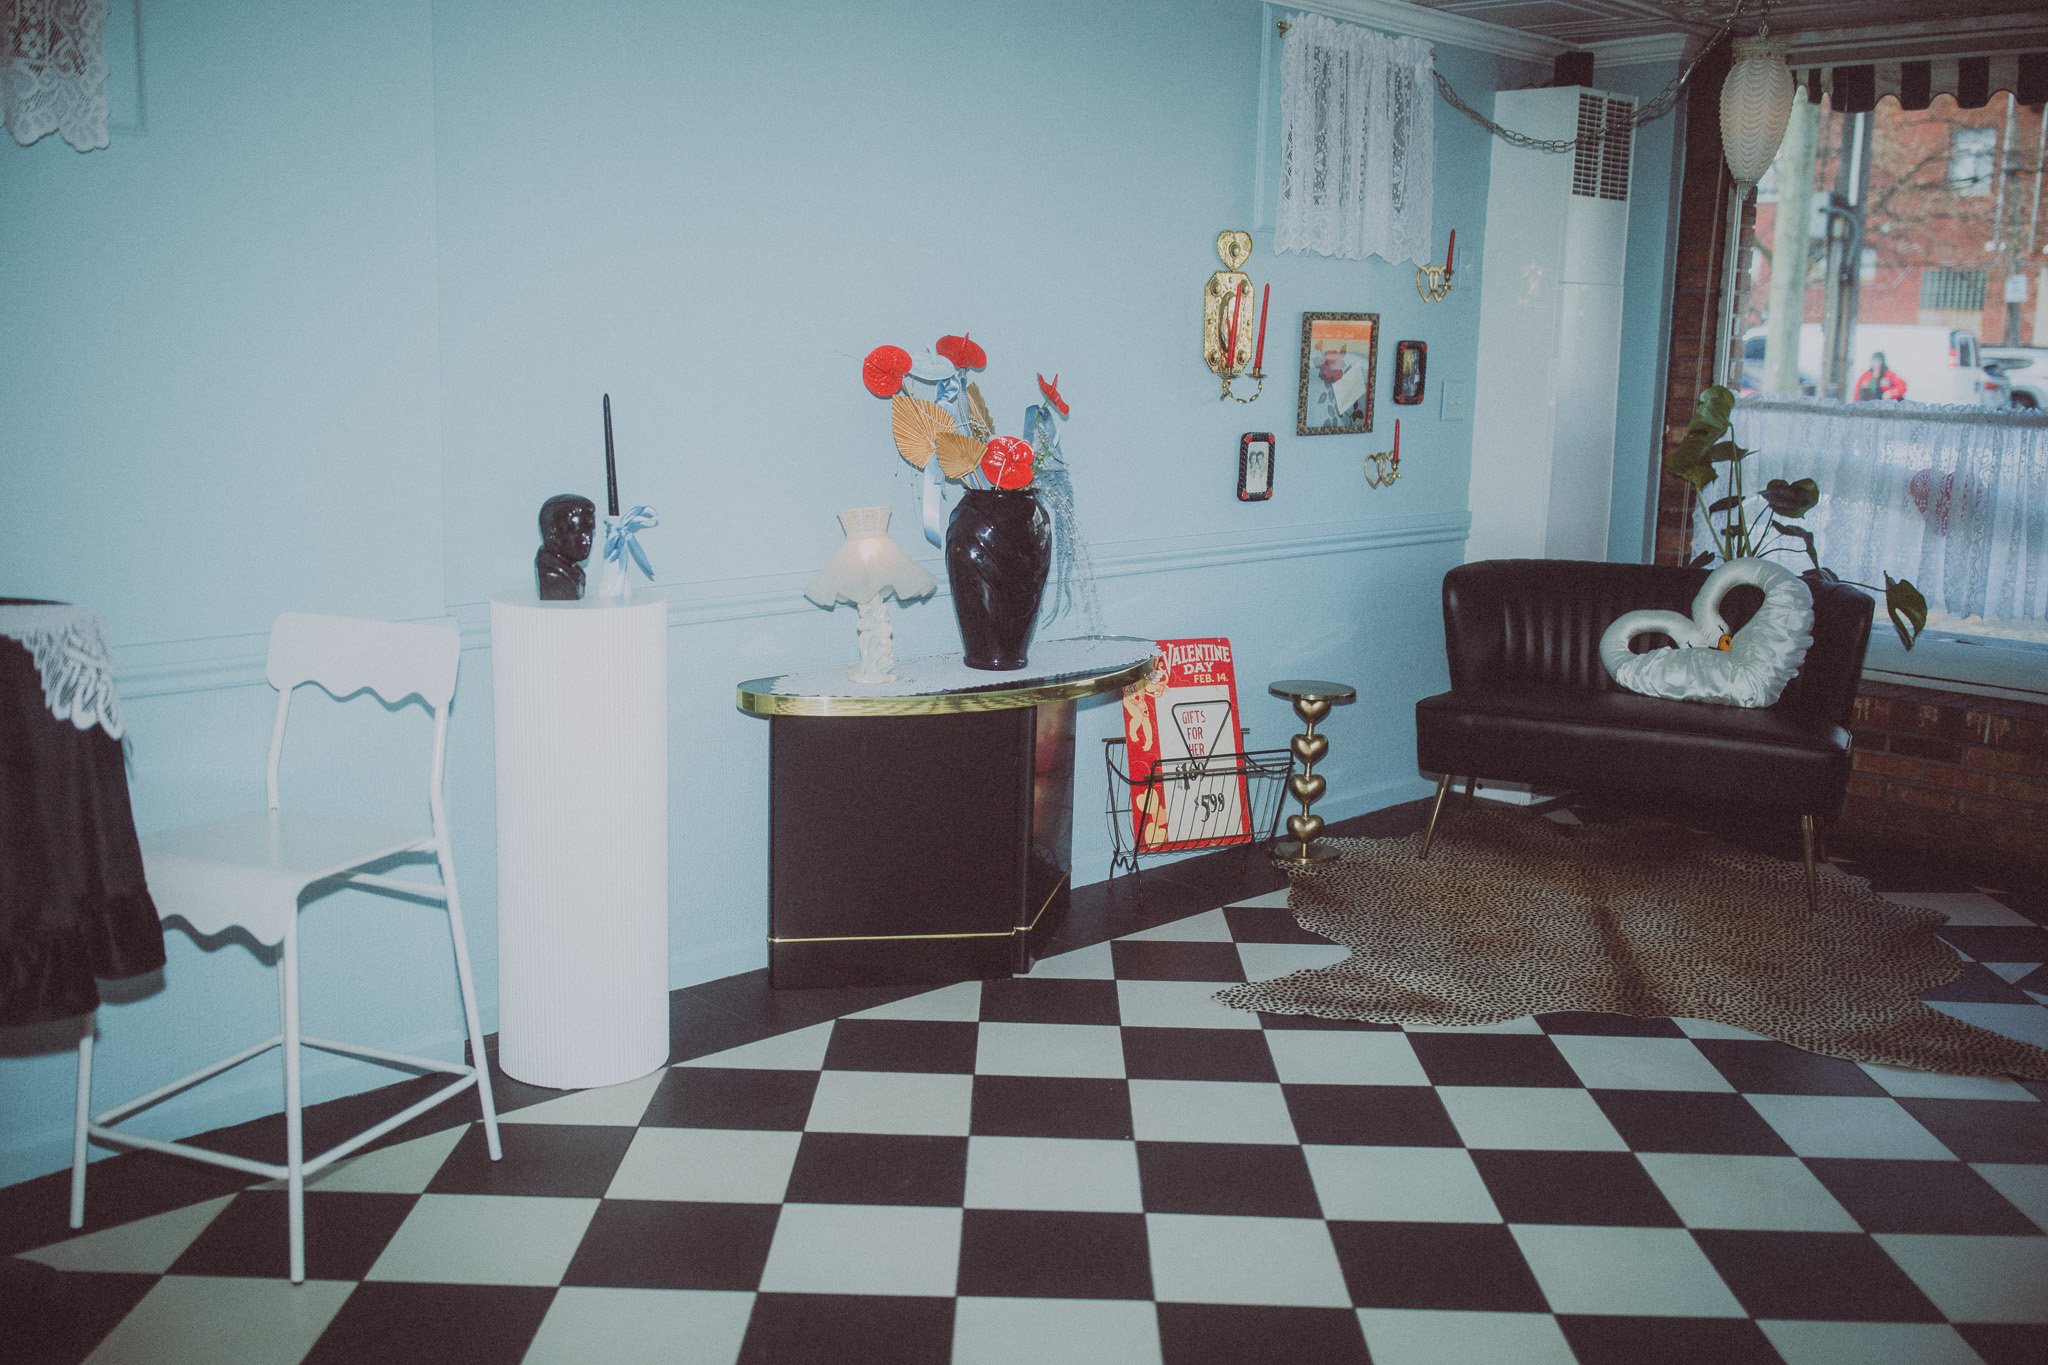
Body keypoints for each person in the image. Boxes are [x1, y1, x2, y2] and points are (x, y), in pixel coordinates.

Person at [534, 493, 596, 600]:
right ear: (554, 534)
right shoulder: (552, 575)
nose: (587, 540)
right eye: (578, 532)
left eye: (590, 531)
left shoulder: (575, 571)